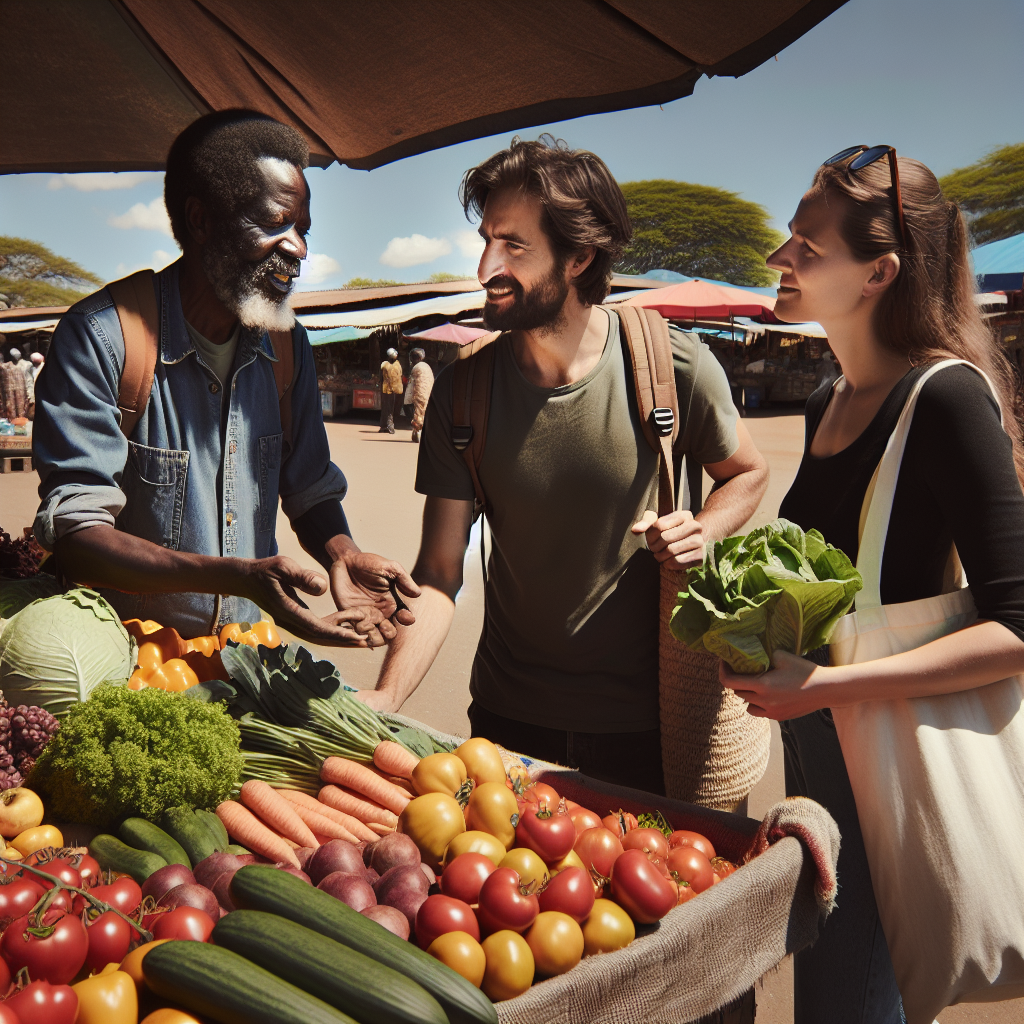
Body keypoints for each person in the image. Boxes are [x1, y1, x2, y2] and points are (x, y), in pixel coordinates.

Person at [356, 137, 769, 793]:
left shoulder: (671, 366)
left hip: (654, 725)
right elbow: (437, 574)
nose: (486, 264)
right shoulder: (464, 395)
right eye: (487, 239)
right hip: (508, 725)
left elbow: (746, 472)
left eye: (514, 245)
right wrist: (385, 697)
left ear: (579, 256)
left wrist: (706, 529)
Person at [723, 147, 1024, 1022]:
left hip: (890, 761)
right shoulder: (829, 397)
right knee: (835, 990)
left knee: (851, 1001)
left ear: (878, 272)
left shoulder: (946, 398)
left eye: (806, 246)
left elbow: (1017, 626)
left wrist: (829, 684)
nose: (780, 257)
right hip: (821, 755)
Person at [32, 109, 418, 646]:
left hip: (246, 656)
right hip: (134, 668)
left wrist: (343, 554)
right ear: (201, 220)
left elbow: (306, 483)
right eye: (275, 223)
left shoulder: (286, 344)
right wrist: (232, 577)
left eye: (303, 229)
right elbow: (77, 534)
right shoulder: (103, 337)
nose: (298, 248)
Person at [406, 348, 433, 443]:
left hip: (418, 395)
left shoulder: (416, 368)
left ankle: (417, 432)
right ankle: (418, 432)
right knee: (424, 413)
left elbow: (411, 385)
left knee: (417, 414)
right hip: (428, 395)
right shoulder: (427, 367)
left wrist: (407, 401)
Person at [379, 347, 403, 434]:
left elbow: (399, 375)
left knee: (392, 408)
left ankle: (386, 426)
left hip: (395, 390)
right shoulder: (384, 365)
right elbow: (381, 377)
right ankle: (387, 426)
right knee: (387, 408)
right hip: (386, 390)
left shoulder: (397, 364)